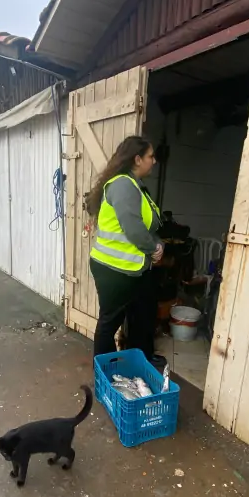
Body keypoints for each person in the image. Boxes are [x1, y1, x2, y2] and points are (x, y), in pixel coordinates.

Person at [85, 136, 163, 358]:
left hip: (132, 268)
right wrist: (154, 248)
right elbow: (133, 228)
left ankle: (139, 359)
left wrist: (158, 243)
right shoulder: (123, 185)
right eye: (151, 156)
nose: (154, 161)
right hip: (113, 270)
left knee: (142, 314)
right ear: (138, 159)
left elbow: (147, 224)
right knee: (110, 323)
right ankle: (105, 371)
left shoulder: (135, 186)